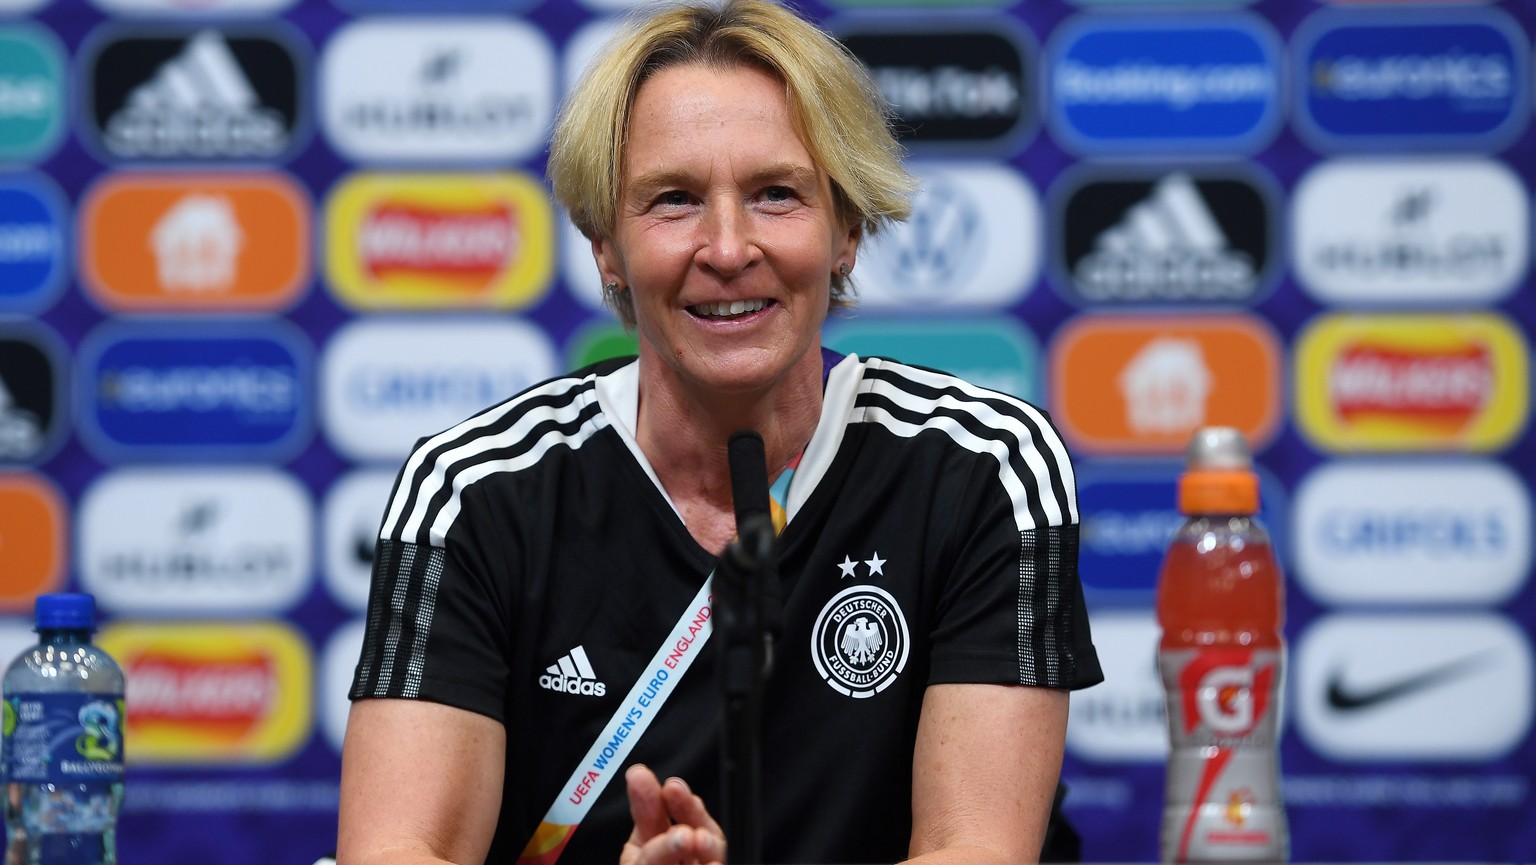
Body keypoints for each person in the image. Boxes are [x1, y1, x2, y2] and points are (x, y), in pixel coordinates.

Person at [337, 2, 1102, 864]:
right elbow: (396, 850)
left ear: (846, 228)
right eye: (674, 200)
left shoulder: (981, 467)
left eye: (777, 194)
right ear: (606, 249)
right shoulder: (475, 490)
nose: (729, 247)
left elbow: (977, 849)